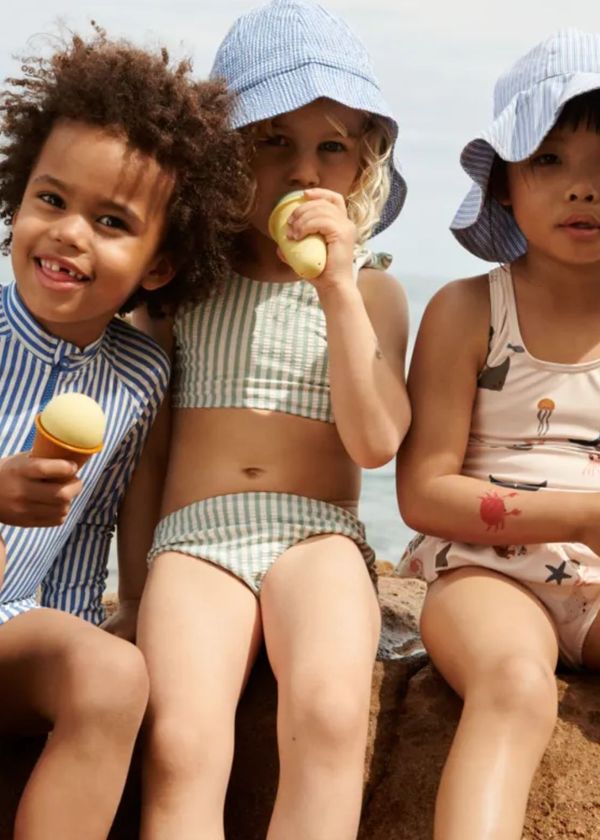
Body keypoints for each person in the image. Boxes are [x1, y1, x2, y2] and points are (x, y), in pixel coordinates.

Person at [130, 1, 411, 836]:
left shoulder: (372, 293)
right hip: (195, 540)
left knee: (329, 713)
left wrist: (337, 289)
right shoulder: (183, 288)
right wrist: (135, 592)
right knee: (180, 740)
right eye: (273, 142)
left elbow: (376, 442)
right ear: (225, 155)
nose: (303, 171)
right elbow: (149, 456)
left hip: (317, 535)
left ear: (364, 161)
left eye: (332, 148)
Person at [0, 25, 247, 839]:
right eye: (51, 199)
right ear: (18, 198)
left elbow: (107, 520)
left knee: (112, 674)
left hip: (12, 631)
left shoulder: (140, 375)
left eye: (111, 221)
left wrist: (128, 609)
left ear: (160, 265)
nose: (69, 233)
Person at [397, 28, 600, 840]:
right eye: (549, 159)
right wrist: (584, 516)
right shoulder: (469, 308)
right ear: (505, 184)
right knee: (515, 684)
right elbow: (423, 492)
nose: (583, 187)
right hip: (485, 569)